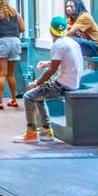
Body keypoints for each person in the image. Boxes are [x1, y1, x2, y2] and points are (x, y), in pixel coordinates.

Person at [20, 16, 84, 144]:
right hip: (74, 82)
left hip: (62, 84)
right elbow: (62, 61)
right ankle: (45, 131)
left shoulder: (57, 45)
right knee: (38, 96)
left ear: (51, 30)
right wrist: (46, 63)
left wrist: (36, 82)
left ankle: (31, 132)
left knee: (28, 96)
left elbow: (52, 71)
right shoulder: (71, 42)